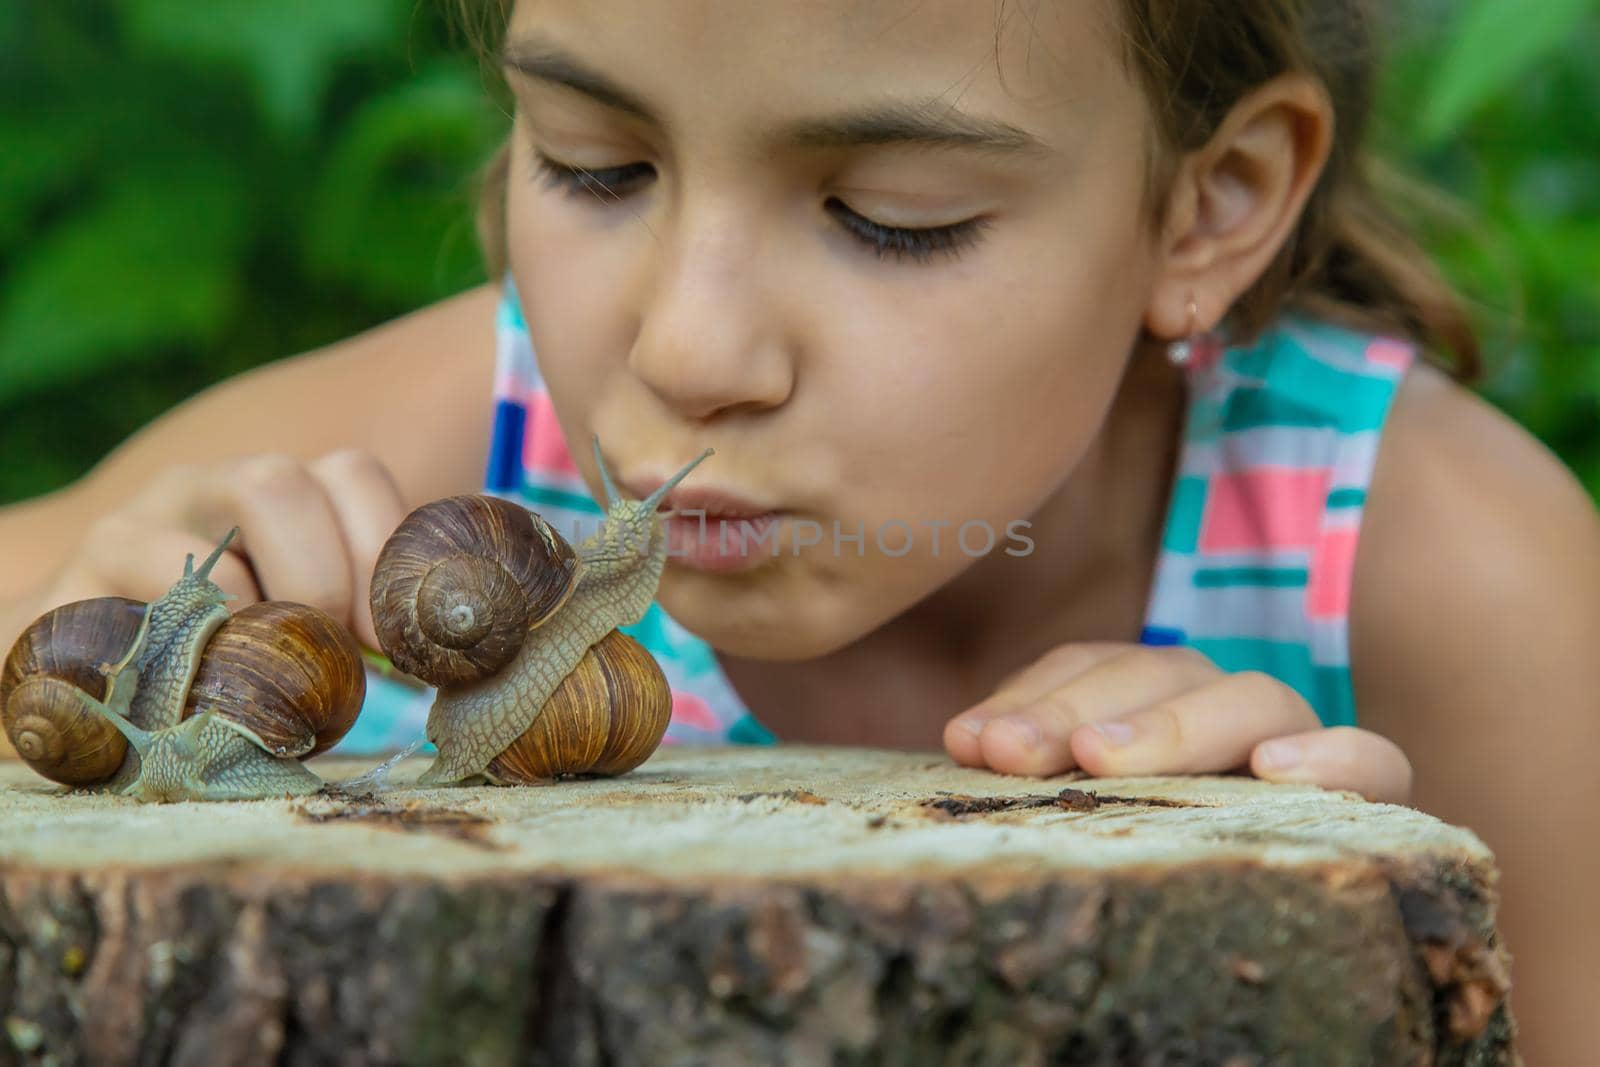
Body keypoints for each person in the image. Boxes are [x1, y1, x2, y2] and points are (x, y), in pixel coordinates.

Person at [0, 0, 1595, 1055]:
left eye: (892, 216)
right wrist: (92, 650)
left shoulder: (1442, 568)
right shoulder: (458, 441)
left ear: (1209, 206)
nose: (687, 349)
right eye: (595, 166)